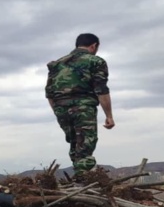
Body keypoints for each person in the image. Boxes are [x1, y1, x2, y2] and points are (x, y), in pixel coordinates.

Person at [45, 33, 114, 175]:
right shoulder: (95, 61)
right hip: (83, 109)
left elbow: (49, 94)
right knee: (85, 147)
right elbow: (101, 90)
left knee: (75, 145)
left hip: (60, 109)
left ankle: (79, 177)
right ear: (94, 46)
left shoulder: (57, 64)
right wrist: (109, 116)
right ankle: (83, 182)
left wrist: (58, 111)